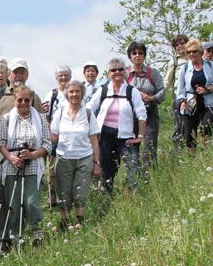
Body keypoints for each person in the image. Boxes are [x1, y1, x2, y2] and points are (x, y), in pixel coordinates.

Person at [0, 58, 43, 252]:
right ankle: (5, 238)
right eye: (15, 72)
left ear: (26, 75)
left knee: (28, 199)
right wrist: (8, 156)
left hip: (30, 158)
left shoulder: (34, 96)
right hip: (4, 157)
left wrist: (33, 153)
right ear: (9, 74)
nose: (19, 76)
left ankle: (26, 235)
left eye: (23, 72)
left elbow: (41, 126)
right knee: (4, 199)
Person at [0, 85, 51, 248]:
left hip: (34, 164)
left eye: (27, 100)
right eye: (20, 100)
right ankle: (17, 237)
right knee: (14, 203)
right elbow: (1, 143)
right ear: (14, 101)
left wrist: (33, 155)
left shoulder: (40, 118)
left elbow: (47, 144)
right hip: (13, 165)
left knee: (31, 202)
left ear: (32, 101)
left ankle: (38, 236)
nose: (23, 103)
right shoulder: (7, 119)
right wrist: (12, 158)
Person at [88, 58, 147, 196]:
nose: (117, 72)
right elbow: (89, 109)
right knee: (107, 171)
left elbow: (141, 113)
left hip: (127, 137)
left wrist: (140, 136)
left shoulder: (132, 91)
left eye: (120, 69)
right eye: (113, 70)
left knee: (133, 167)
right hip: (105, 137)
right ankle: (107, 198)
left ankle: (131, 198)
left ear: (125, 71)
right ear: (108, 73)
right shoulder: (102, 91)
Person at [50, 81, 100, 230]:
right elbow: (53, 136)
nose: (74, 95)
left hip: (84, 158)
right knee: (64, 190)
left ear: (82, 94)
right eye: (71, 92)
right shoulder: (59, 113)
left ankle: (80, 221)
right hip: (63, 158)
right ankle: (64, 222)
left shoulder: (88, 113)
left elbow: (94, 141)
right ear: (66, 94)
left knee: (81, 190)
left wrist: (97, 163)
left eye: (77, 91)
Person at [177, 39, 213, 156]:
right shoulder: (185, 68)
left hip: (208, 101)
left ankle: (205, 153)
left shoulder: (210, 65)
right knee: (189, 134)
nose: (192, 54)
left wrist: (207, 89)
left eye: (194, 51)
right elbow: (180, 88)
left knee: (207, 127)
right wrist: (182, 100)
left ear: (200, 52)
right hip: (191, 103)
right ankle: (192, 158)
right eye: (189, 52)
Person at [126, 42, 165, 169]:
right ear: (130, 56)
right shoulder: (125, 74)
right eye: (134, 53)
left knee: (150, 144)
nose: (137, 55)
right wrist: (139, 94)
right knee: (132, 145)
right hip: (131, 114)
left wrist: (151, 98)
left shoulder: (152, 73)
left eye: (140, 53)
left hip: (150, 112)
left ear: (144, 55)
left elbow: (162, 91)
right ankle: (134, 174)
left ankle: (151, 174)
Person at [42, 65, 72, 207]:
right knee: (52, 167)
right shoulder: (52, 94)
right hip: (55, 134)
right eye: (61, 75)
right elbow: (45, 115)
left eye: (66, 75)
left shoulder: (73, 92)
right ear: (56, 78)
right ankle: (51, 195)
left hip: (70, 135)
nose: (64, 78)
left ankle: (66, 194)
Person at [164, 34, 189, 154]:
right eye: (177, 45)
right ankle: (178, 152)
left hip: (193, 95)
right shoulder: (174, 61)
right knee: (179, 124)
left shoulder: (194, 58)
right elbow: (167, 81)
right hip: (178, 95)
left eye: (182, 43)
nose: (180, 46)